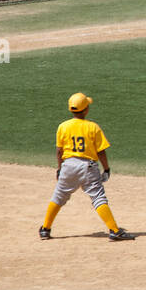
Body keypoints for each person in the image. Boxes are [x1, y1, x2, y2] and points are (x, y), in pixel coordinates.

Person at [39, 93, 134, 242]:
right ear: (86, 110)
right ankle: (115, 231)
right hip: (88, 167)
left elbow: (59, 151)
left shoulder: (63, 126)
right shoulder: (92, 127)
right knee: (98, 197)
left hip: (68, 165)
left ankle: (45, 229)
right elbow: (101, 151)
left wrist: (59, 168)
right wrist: (107, 169)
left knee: (58, 196)